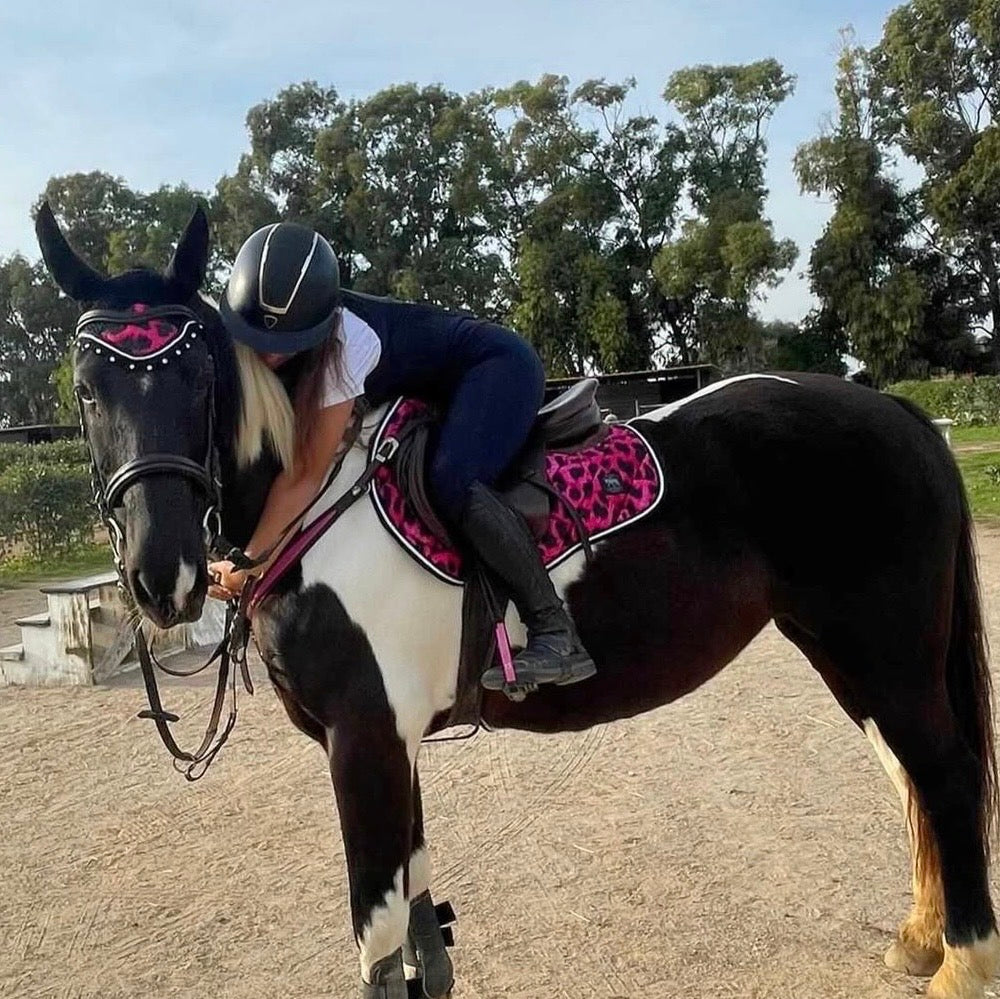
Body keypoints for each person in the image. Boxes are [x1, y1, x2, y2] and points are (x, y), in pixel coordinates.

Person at [208, 221, 596, 692]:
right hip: (441, 385)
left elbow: (305, 475)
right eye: (258, 338)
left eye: (285, 344)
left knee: (450, 480)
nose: (269, 354)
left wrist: (248, 564)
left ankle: (554, 630)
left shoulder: (348, 343)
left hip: (495, 368)